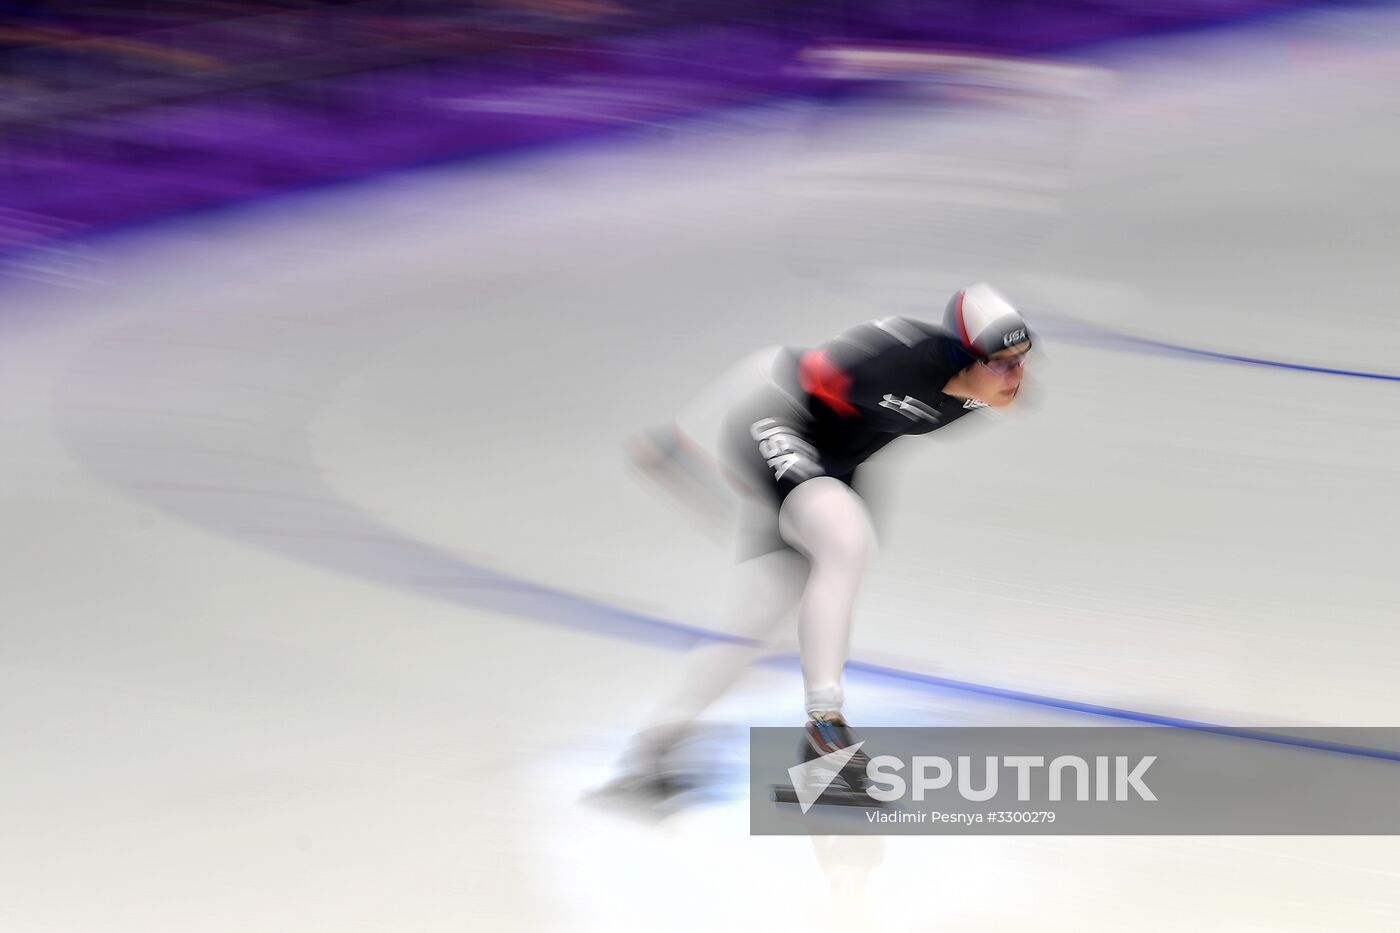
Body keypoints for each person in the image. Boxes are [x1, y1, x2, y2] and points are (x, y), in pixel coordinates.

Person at [597, 282, 1033, 805]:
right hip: (778, 423)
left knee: (761, 623)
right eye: (1003, 362)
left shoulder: (978, 396)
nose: (1017, 376)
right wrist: (682, 435)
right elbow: (774, 366)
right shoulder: (894, 363)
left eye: (1022, 360)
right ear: (966, 356)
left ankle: (658, 745)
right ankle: (826, 730)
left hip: (835, 463)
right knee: (846, 540)